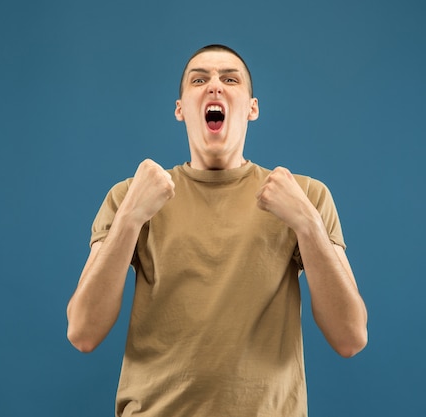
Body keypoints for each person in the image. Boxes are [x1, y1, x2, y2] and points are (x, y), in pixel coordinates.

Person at [66, 44, 368, 417]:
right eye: (199, 79)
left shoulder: (306, 197)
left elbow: (351, 337)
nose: (214, 87)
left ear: (252, 107)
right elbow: (82, 332)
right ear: (180, 109)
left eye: (229, 79)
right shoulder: (130, 197)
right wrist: (130, 218)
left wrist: (307, 223)